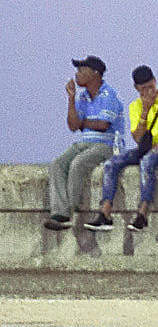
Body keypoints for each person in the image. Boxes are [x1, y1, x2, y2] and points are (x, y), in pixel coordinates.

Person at [85, 66, 158, 232]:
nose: (148, 92)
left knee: (147, 162)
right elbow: (137, 138)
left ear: (155, 82)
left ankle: (142, 212)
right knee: (112, 163)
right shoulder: (135, 106)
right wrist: (145, 111)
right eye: (143, 89)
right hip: (146, 148)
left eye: (150, 87)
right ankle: (105, 212)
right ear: (136, 88)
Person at [44, 56, 126, 231]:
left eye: (82, 70)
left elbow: (103, 125)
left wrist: (84, 122)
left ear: (95, 73)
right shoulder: (82, 97)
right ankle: (59, 211)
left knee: (78, 164)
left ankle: (68, 212)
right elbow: (74, 125)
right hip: (84, 143)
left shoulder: (108, 95)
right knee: (57, 164)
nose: (77, 74)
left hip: (107, 145)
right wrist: (71, 99)